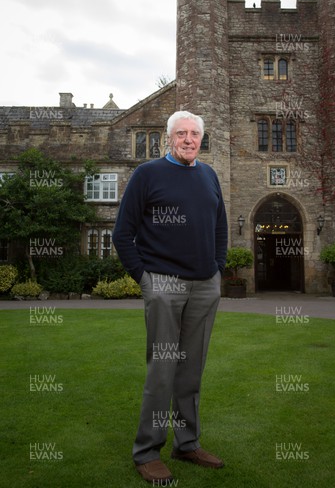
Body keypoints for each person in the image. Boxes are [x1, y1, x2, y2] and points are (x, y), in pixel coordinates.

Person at [112, 110, 228, 484]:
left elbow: (221, 228)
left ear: (201, 139)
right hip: (163, 284)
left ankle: (187, 443)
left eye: (195, 133)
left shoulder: (209, 176)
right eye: (182, 133)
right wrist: (146, 280)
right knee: (162, 371)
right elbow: (122, 234)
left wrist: (218, 269)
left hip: (204, 285)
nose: (189, 139)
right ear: (169, 138)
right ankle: (147, 451)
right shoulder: (147, 175)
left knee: (191, 371)